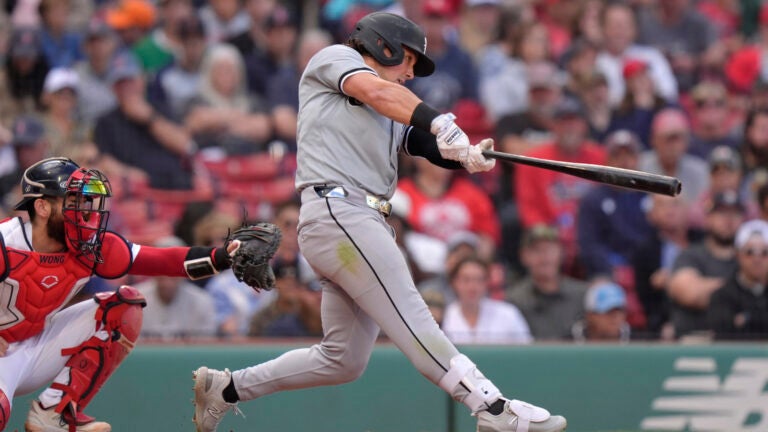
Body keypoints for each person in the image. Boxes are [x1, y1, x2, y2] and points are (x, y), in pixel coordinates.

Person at [192, 12, 566, 432]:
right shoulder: (335, 59)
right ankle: (492, 407)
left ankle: (225, 388)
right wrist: (441, 121)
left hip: (351, 219)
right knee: (412, 314)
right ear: (381, 44)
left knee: (343, 359)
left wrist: (464, 155)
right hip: (340, 212)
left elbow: (421, 141)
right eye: (408, 60)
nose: (410, 73)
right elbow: (377, 92)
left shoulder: (389, 103)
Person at [0, 157, 243, 431]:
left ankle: (54, 412)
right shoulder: (6, 242)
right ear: (42, 206)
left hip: (38, 341)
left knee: (123, 307)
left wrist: (222, 257)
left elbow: (162, 261)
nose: (83, 210)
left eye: (84, 201)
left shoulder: (90, 246)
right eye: (72, 201)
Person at [666, 190, 744, 339]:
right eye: (722, 213)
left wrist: (709, 287)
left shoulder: (750, 256)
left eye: (735, 214)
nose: (729, 220)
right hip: (694, 339)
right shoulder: (691, 255)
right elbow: (689, 293)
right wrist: (745, 288)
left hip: (738, 341)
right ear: (708, 218)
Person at [506, 224, 588, 340]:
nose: (544, 256)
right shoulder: (513, 300)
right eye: (537, 250)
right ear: (524, 256)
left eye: (550, 249)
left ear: (561, 253)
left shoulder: (582, 295)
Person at [442, 256, 532, 345]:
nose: (472, 287)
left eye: (479, 280)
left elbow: (526, 351)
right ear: (454, 282)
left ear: (487, 282)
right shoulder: (445, 316)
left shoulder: (508, 314)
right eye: (466, 280)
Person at [708, 219, 768, 340]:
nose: (757, 259)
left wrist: (746, 319)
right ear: (738, 255)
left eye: (764, 252)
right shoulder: (722, 296)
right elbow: (723, 332)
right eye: (750, 252)